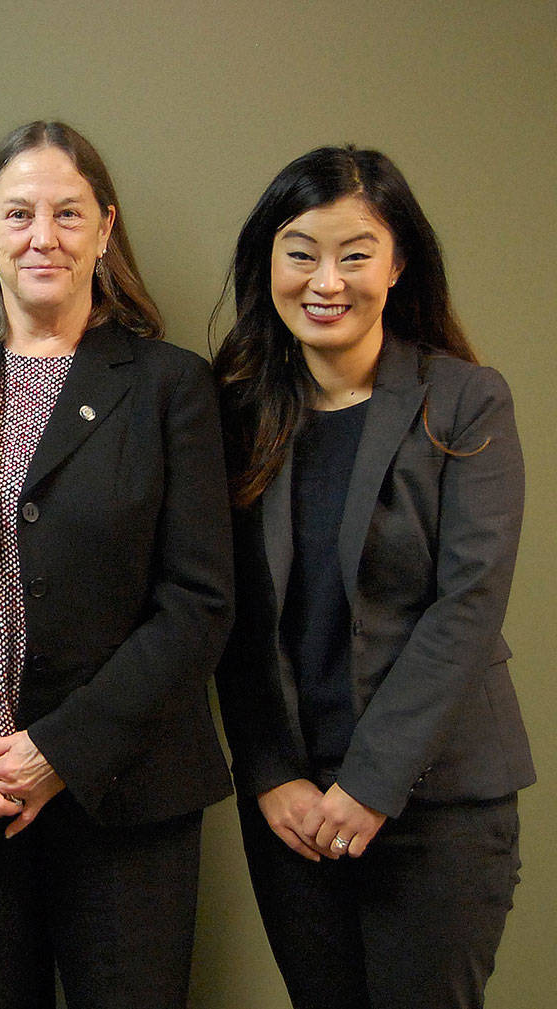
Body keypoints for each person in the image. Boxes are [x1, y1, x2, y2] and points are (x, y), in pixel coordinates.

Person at [0, 121, 233, 1009]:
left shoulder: (172, 385)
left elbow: (199, 600)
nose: (43, 236)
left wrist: (59, 750)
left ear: (105, 226)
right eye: (19, 213)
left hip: (127, 798)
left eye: (68, 213)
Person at [212, 146, 534, 1009]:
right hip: (291, 810)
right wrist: (272, 771)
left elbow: (469, 604)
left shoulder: (467, 400)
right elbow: (222, 610)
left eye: (355, 253)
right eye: (300, 251)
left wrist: (369, 784)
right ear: (267, 263)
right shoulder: (233, 411)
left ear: (397, 264)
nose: (326, 279)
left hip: (437, 804)